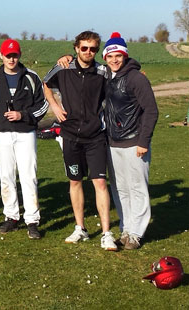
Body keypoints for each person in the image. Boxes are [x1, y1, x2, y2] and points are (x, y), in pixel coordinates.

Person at [42, 30, 117, 251]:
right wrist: (54, 106)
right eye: (84, 48)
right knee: (75, 181)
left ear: (97, 51)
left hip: (95, 136)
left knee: (100, 183)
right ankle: (80, 228)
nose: (88, 52)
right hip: (70, 135)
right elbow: (46, 84)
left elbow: (122, 70)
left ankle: (106, 233)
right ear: (76, 48)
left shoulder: (103, 72)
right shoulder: (64, 68)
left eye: (93, 49)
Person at [101, 32, 159, 249]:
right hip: (113, 143)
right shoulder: (106, 76)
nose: (114, 60)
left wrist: (144, 141)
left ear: (125, 56)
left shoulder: (137, 78)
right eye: (110, 56)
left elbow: (151, 111)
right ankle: (126, 228)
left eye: (118, 55)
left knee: (138, 188)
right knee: (120, 188)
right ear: (105, 57)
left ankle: (136, 232)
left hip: (135, 143)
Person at [0, 39, 48, 239]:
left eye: (15, 55)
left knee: (29, 176)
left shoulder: (31, 76)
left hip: (25, 133)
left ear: (19, 55)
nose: (11, 59)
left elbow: (43, 105)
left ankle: (32, 220)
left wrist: (23, 115)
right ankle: (11, 216)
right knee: (6, 176)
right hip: (2, 133)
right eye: (7, 55)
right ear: (1, 55)